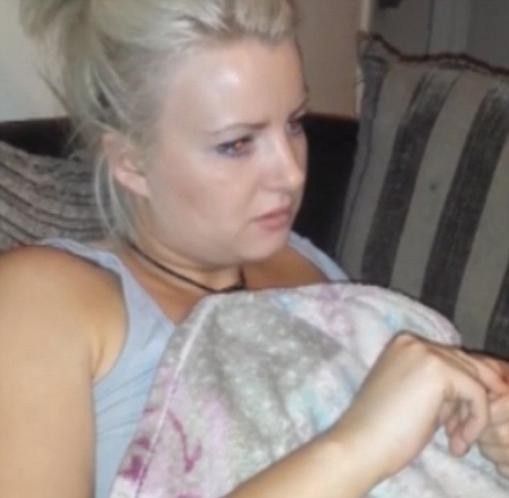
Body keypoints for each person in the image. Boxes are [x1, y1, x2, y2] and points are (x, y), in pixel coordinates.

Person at [1, 1, 508, 497]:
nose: (291, 173)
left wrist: (485, 432)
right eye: (237, 144)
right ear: (131, 162)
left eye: (295, 123)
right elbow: (370, 441)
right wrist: (359, 446)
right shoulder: (44, 299)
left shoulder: (306, 265)